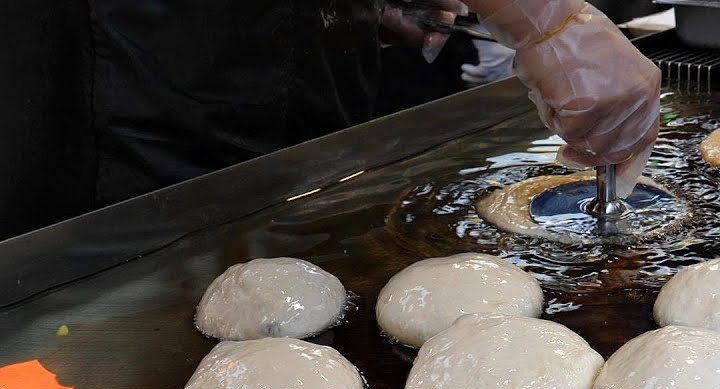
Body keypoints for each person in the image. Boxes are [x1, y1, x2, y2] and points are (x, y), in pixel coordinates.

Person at [0, 0, 659, 240]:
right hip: (130, 64)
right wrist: (543, 17)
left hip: (293, 62)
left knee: (318, 235)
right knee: (139, 279)